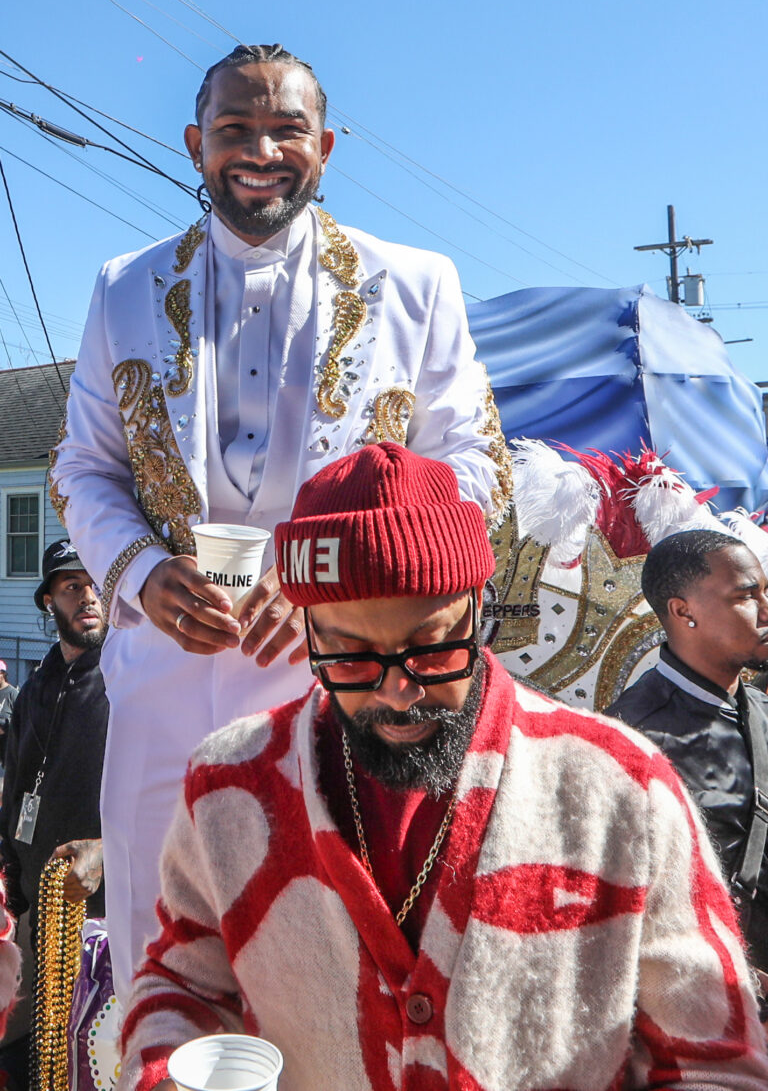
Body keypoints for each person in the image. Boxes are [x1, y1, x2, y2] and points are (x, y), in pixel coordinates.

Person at [49, 42, 510, 999]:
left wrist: (329, 575)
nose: (259, 148)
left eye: (285, 128)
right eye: (233, 129)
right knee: (157, 938)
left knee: (331, 942)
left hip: (343, 676)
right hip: (161, 677)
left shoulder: (416, 285)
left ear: (327, 146)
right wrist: (137, 571)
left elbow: (478, 468)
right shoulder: (121, 286)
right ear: (194, 144)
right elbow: (81, 468)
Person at [118, 445, 767, 1091]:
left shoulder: (625, 789)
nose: (397, 692)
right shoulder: (230, 785)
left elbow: (718, 1063)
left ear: (478, 608)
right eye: (349, 658)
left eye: (431, 650)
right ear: (308, 633)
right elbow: (179, 986)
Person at [607, 529, 768, 1012]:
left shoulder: (761, 707)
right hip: (706, 1018)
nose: (765, 610)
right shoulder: (628, 740)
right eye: (746, 596)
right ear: (683, 612)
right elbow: (621, 908)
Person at [0, 540, 109, 941]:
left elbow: (160, 796)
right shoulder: (34, 688)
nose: (88, 598)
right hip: (40, 913)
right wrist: (12, 887)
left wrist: (107, 852)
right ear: (49, 602)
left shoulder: (127, 680)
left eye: (96, 585)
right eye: (72, 587)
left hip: (106, 917)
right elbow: (15, 788)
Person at [0, 663, 18, 767]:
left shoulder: (12, 693)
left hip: (6, 739)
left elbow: (19, 718)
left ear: (3, 674)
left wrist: (4, 727)